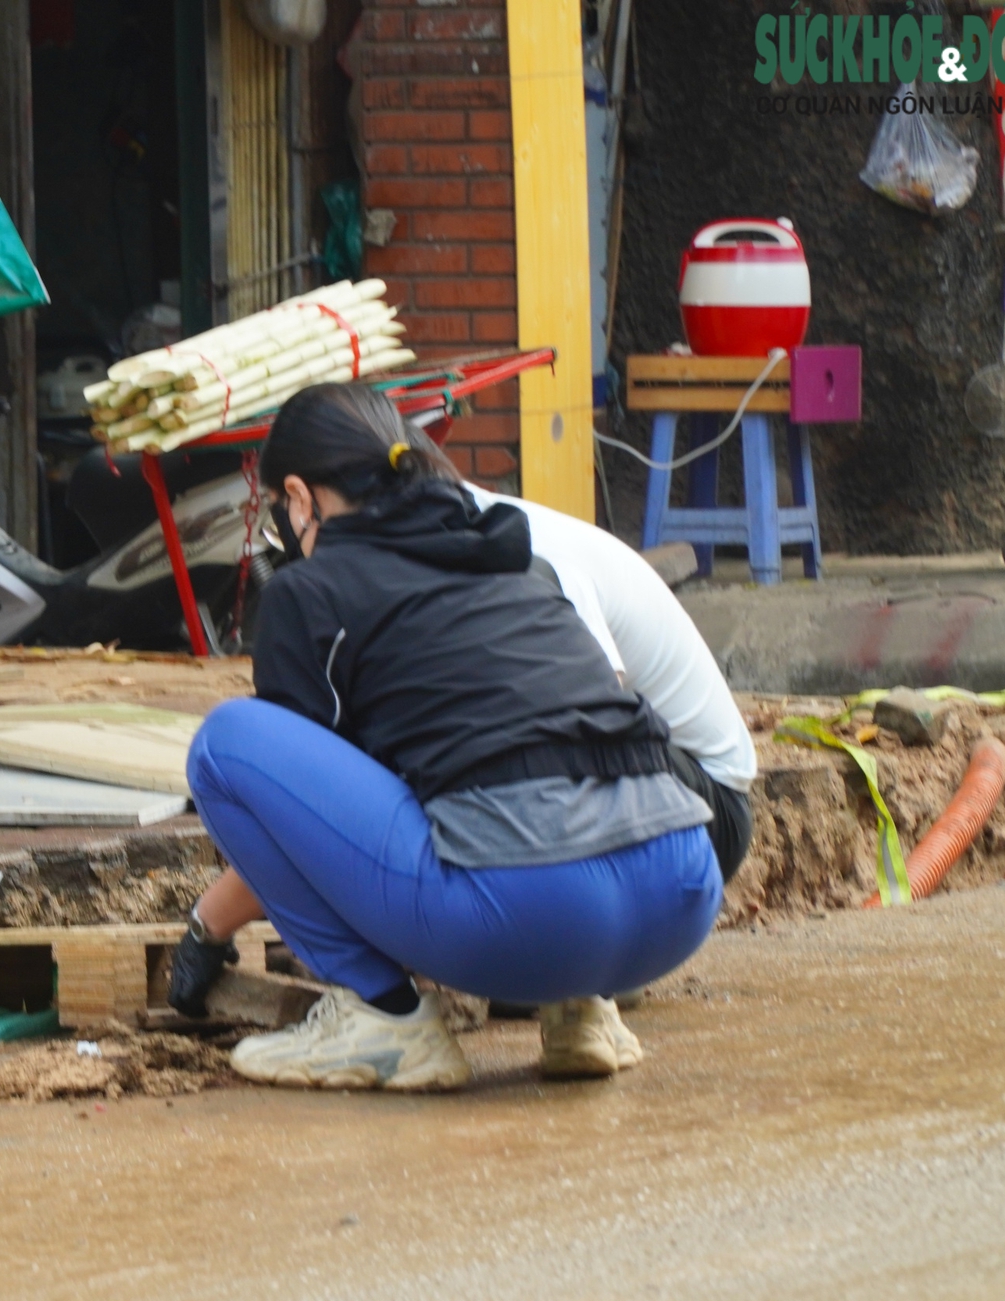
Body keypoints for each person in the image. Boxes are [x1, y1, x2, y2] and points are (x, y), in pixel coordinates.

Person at [169, 384, 722, 1089]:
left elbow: (309, 825)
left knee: (227, 742)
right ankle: (583, 1010)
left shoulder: (309, 596)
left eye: (281, 507)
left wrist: (206, 925)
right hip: (678, 893)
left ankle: (381, 1020)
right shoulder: (518, 561)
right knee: (500, 759)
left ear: (302, 499)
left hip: (528, 920)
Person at [462, 479, 755, 883]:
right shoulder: (483, 533)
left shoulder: (534, 554)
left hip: (710, 804)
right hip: (656, 763)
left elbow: (602, 708)